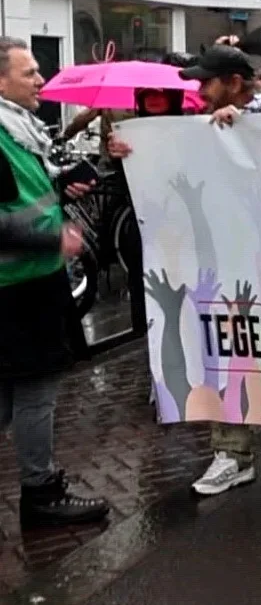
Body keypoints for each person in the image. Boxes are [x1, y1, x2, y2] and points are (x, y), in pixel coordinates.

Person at [109, 45, 261, 494]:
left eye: (207, 82)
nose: (200, 91)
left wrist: (247, 126)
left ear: (235, 83)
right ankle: (232, 454)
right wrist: (129, 153)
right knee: (226, 353)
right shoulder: (197, 128)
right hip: (221, 263)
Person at [0, 37, 111, 527]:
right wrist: (51, 239)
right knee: (34, 391)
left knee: (12, 394)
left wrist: (64, 187)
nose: (41, 80)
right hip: (18, 287)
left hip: (33, 281)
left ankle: (39, 487)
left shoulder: (19, 132)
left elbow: (24, 197)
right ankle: (40, 493)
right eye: (29, 73)